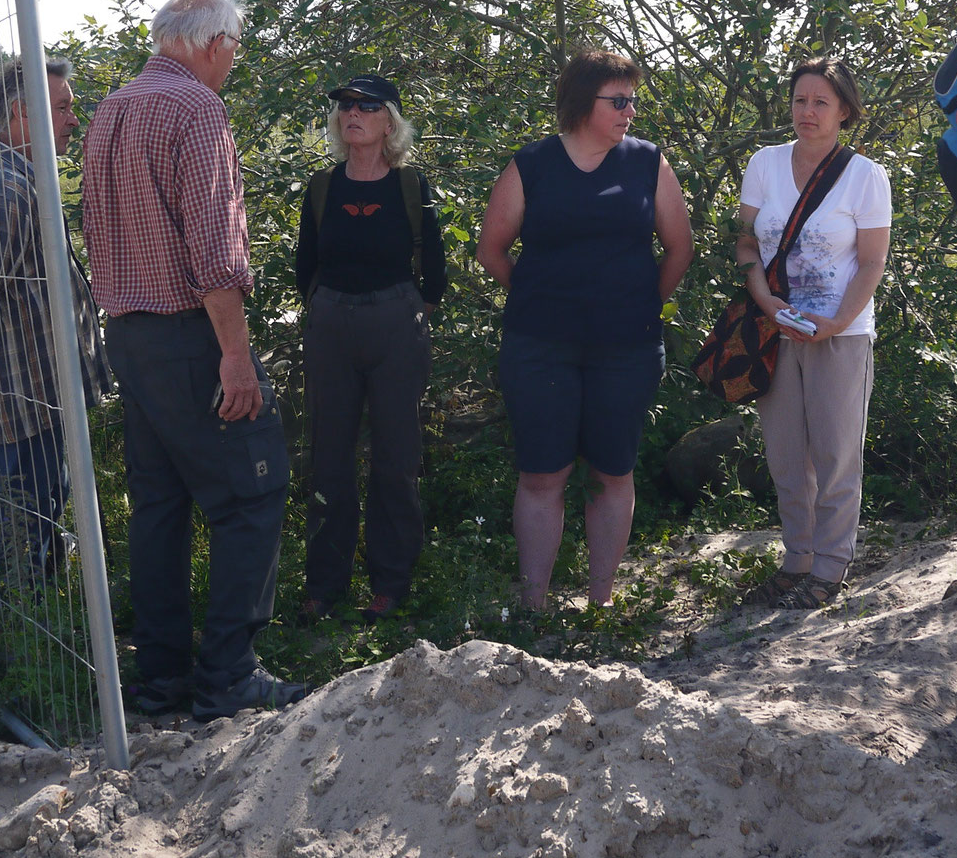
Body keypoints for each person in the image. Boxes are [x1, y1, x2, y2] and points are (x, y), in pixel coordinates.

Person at [81, 0, 305, 721]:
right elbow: (215, 249)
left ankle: (163, 674)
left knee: (161, 504)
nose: (234, 61)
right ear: (212, 44)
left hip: (130, 334)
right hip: (187, 333)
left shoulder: (111, 109)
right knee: (254, 491)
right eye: (236, 47)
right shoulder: (196, 109)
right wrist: (235, 356)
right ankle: (229, 675)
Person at [476, 49, 694, 611]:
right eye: (617, 100)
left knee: (613, 472)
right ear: (582, 101)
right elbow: (491, 250)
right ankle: (534, 607)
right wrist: (541, 298)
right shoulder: (532, 165)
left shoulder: (649, 163)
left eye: (633, 100)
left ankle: (601, 605)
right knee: (542, 475)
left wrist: (641, 304)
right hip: (540, 346)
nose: (629, 111)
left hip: (627, 348)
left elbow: (680, 248)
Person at [0, 59, 112, 582]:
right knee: (20, 527)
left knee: (32, 517)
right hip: (18, 400)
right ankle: (10, 645)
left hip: (28, 394)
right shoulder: (9, 192)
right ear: (22, 113)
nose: (73, 121)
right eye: (62, 108)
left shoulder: (11, 174)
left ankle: (24, 631)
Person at [736, 58, 891, 612]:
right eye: (801, 100)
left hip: (840, 335)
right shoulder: (764, 164)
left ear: (844, 111)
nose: (807, 111)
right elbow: (745, 240)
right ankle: (796, 559)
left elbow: (873, 262)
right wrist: (763, 299)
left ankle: (829, 569)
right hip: (775, 328)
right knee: (784, 453)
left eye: (820, 102)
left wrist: (838, 322)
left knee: (835, 453)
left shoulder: (865, 176)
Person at [293, 73, 447, 625]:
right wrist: (330, 310)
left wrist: (408, 309)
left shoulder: (411, 186)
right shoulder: (322, 186)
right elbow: (304, 264)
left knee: (395, 458)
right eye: (345, 106)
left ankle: (391, 583)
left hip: (395, 323)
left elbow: (434, 266)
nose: (352, 113)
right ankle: (324, 585)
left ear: (390, 121)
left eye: (367, 105)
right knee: (328, 459)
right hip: (332, 322)